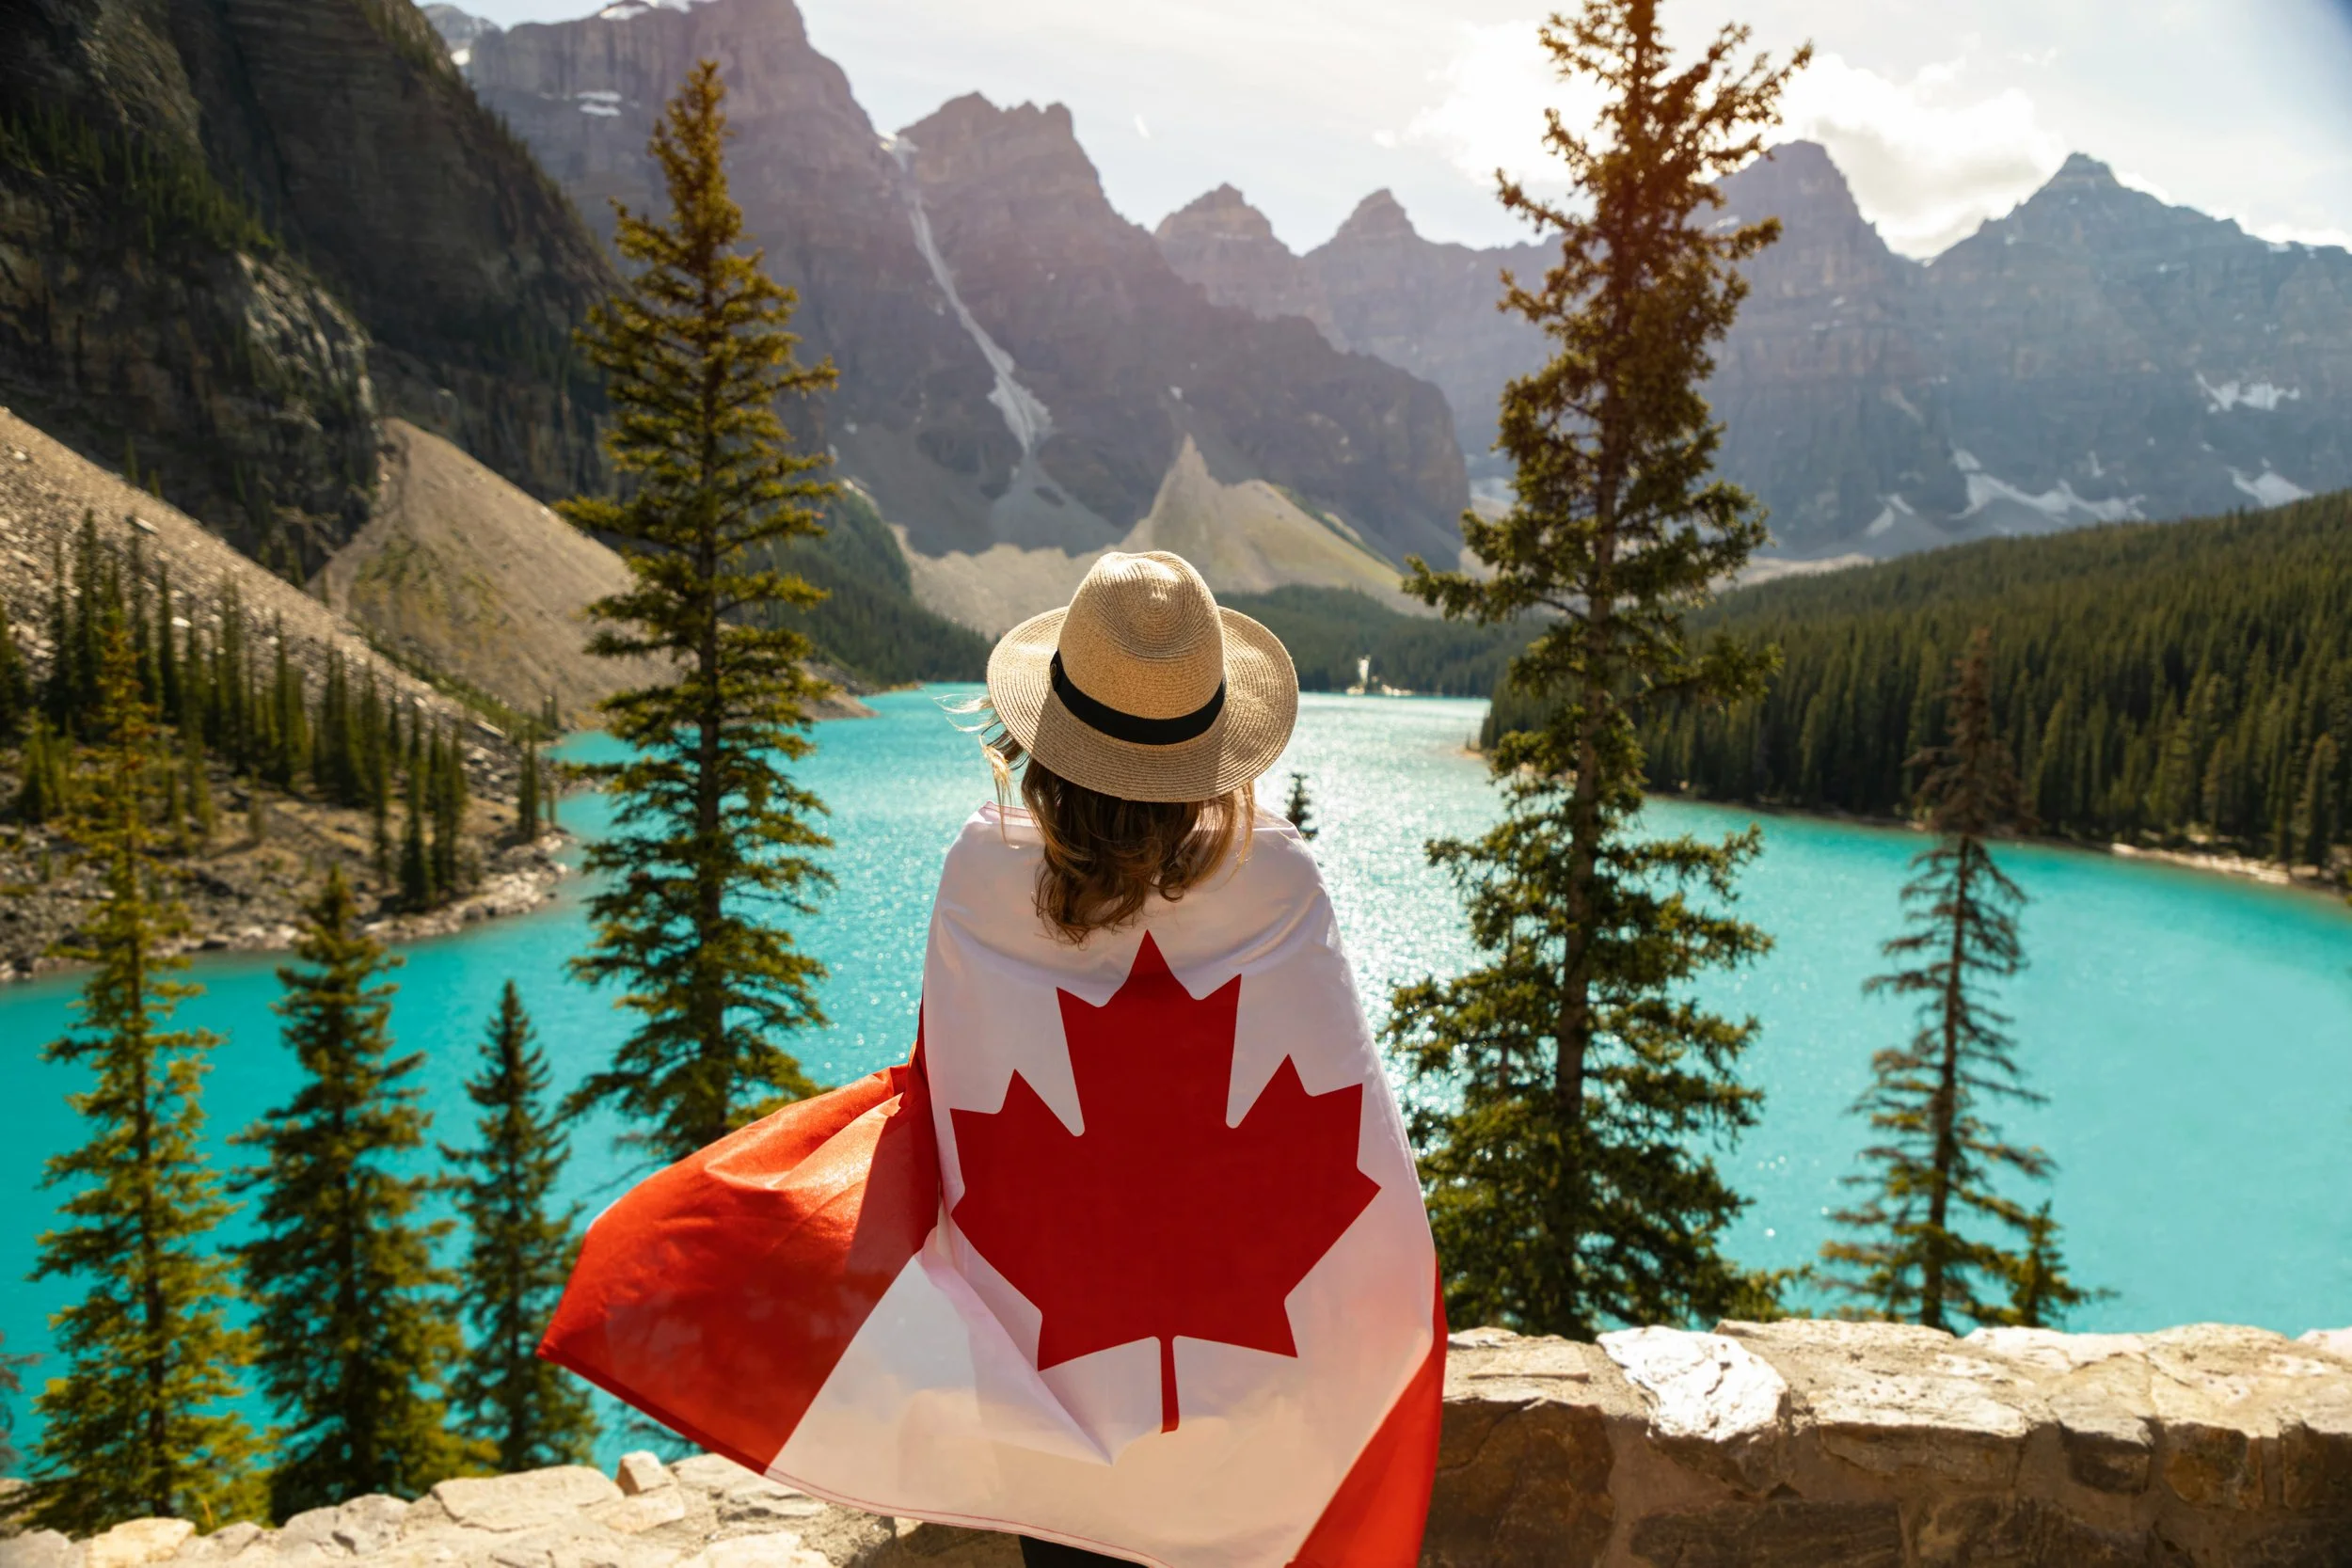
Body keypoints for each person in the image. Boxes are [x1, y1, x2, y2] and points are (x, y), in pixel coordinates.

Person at [545, 552, 1442, 1568]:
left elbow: (950, 1094)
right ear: (1213, 750)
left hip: (1054, 1403)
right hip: (1262, 1422)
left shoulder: (982, 874)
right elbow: (1355, 1135)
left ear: (1041, 740)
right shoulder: (1277, 879)